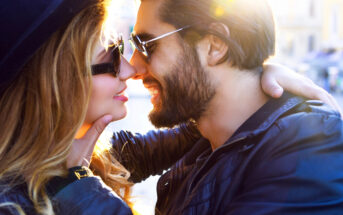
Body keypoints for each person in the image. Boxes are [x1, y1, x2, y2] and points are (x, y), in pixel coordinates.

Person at [112, 0, 343, 214]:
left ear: (215, 45)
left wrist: (81, 188)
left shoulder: (307, 146)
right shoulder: (213, 132)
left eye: (146, 47)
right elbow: (124, 155)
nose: (134, 68)